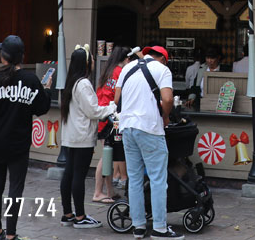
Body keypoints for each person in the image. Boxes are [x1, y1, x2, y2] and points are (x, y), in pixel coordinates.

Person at [0, 35, 52, 240]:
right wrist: (45, 90)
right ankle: (11, 234)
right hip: (19, 143)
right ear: (21, 57)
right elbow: (42, 107)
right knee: (15, 189)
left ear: (3, 57)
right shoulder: (30, 80)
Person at [113, 46, 182, 240]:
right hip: (150, 128)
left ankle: (138, 226)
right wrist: (165, 115)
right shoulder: (162, 69)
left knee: (134, 178)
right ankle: (160, 228)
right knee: (157, 179)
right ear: (162, 58)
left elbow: (117, 98)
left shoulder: (127, 68)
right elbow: (167, 98)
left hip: (127, 127)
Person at [59, 46, 116, 228]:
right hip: (81, 136)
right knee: (78, 175)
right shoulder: (83, 84)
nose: (92, 63)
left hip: (71, 135)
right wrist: (112, 108)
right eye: (90, 60)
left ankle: (68, 213)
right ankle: (80, 216)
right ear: (85, 64)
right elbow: (93, 111)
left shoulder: (71, 82)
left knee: (69, 173)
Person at [95, 44, 130, 202]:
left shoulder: (108, 71)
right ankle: (97, 192)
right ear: (126, 59)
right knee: (106, 157)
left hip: (102, 116)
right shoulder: (120, 71)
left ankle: (109, 192)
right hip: (110, 117)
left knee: (108, 155)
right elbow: (120, 96)